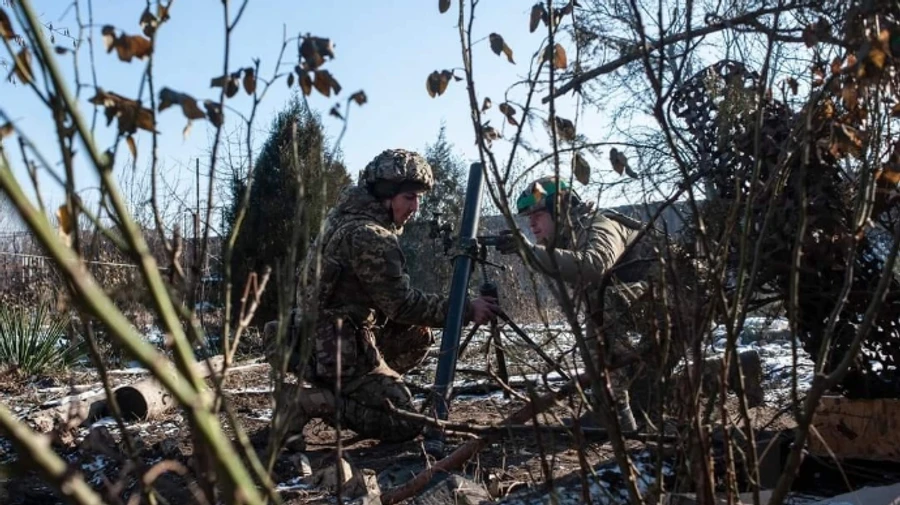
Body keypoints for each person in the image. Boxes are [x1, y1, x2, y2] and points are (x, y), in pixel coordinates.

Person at [264, 148, 500, 452]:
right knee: (406, 422)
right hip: (337, 351)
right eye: (409, 197)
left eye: (418, 198)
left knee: (417, 337)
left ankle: (362, 392)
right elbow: (401, 305)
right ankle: (312, 401)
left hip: (317, 340)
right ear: (386, 195)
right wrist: (466, 308)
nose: (415, 207)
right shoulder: (369, 235)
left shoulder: (341, 220)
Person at [496, 175, 653, 432]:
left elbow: (594, 266)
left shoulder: (596, 225)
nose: (532, 223)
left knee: (604, 309)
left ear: (560, 209)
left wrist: (530, 252)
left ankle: (615, 415)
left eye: (538, 214)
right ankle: (613, 413)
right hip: (660, 306)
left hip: (683, 301)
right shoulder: (572, 235)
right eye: (529, 217)